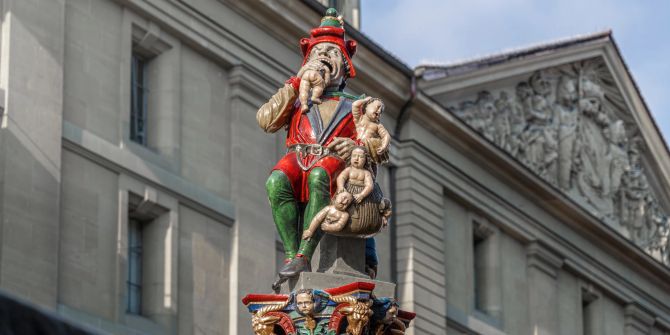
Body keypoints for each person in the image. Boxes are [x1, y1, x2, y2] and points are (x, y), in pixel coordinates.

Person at [256, 8, 360, 279]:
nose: (324, 57)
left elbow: (373, 145)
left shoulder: (355, 104)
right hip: (298, 155)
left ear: (345, 66)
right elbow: (265, 120)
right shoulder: (296, 96)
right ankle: (292, 254)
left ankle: (305, 253)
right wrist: (295, 83)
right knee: (276, 181)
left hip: (330, 159)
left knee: (318, 176)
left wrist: (357, 148)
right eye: (318, 52)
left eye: (333, 52)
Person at [352, 97, 391, 164]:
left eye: (381, 111)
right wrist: (365, 100)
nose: (379, 111)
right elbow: (355, 105)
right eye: (377, 107)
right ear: (367, 106)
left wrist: (384, 146)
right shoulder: (360, 119)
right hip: (355, 145)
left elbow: (386, 136)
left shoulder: (378, 126)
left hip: (367, 150)